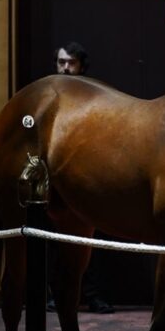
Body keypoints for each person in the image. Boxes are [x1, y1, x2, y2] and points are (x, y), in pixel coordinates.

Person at [47, 41, 114, 314]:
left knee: (91, 242)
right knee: (55, 240)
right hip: (57, 177)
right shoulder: (48, 96)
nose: (65, 67)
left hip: (89, 177)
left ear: (81, 66)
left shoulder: (94, 96)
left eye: (70, 63)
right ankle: (56, 295)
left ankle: (93, 296)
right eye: (61, 62)